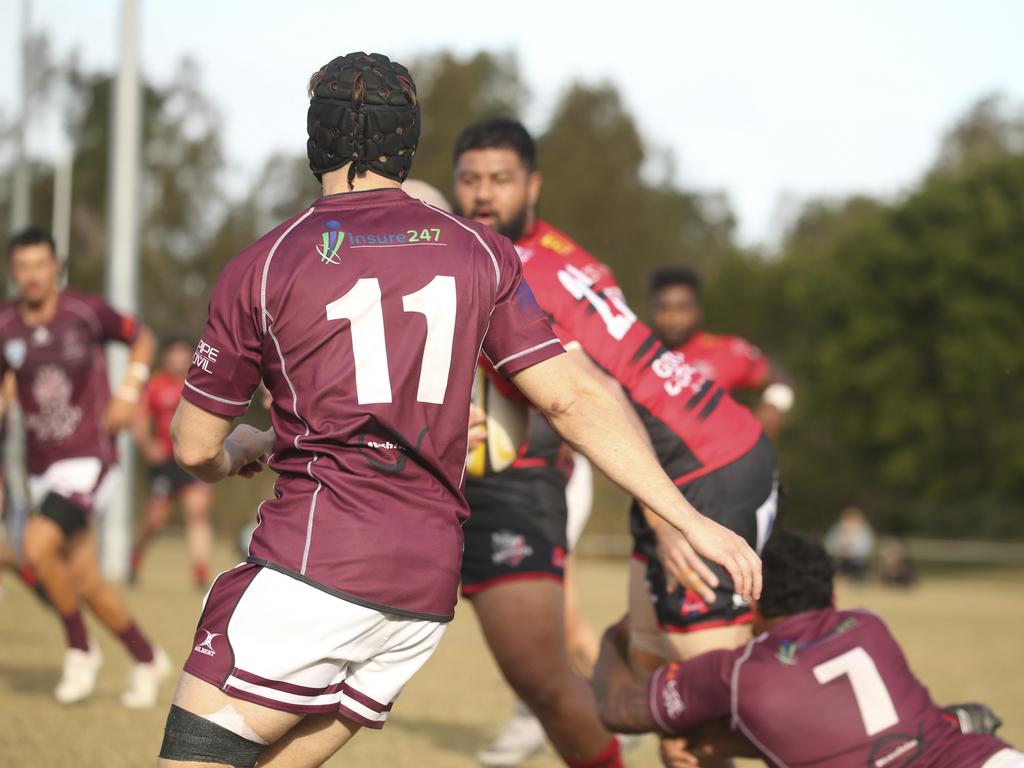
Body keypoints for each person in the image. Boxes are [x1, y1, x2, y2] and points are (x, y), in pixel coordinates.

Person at [157, 52, 759, 768]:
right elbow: (573, 396)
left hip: (317, 564)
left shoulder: (266, 262)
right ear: (406, 142)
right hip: (422, 590)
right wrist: (688, 517)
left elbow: (194, 449)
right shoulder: (482, 252)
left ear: (316, 139)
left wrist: (239, 451)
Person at [453, 118, 777, 768]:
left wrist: (666, 518)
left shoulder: (519, 276)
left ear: (533, 184)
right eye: (470, 180)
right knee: (674, 726)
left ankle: (916, 745)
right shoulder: (557, 254)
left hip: (702, 470)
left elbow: (607, 394)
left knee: (712, 724)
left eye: (501, 180)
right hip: (683, 465)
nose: (484, 195)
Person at [592, 528, 1023, 768]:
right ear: (829, 593)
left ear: (754, 600)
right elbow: (841, 732)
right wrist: (718, 745)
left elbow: (619, 710)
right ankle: (953, 721)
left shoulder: (741, 673)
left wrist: (616, 635)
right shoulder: (870, 625)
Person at [0, 226, 167, 707]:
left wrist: (130, 391)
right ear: (14, 272)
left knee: (35, 544)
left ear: (56, 267)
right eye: (23, 267)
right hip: (41, 466)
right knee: (84, 580)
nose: (32, 276)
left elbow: (143, 339)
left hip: (90, 458)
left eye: (40, 265)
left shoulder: (85, 312)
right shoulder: (6, 324)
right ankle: (146, 657)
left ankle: (79, 649)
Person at [648, 266, 794, 440]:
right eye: (664, 308)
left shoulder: (727, 350)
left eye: (682, 308)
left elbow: (781, 379)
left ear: (697, 312)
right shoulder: (637, 352)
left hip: (719, 460)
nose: (672, 317)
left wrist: (773, 406)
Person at [130, 338, 215, 588]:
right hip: (166, 462)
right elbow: (140, 419)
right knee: (155, 520)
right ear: (167, 357)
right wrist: (148, 446)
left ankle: (200, 574)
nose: (178, 359)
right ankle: (135, 558)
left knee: (197, 512)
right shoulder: (155, 385)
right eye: (174, 353)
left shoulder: (201, 382)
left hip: (194, 459)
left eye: (183, 353)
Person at [824, 505, 876, 581]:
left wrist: (849, 551)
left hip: (855, 562)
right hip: (838, 560)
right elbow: (829, 546)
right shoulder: (836, 530)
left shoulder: (864, 532)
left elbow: (864, 550)